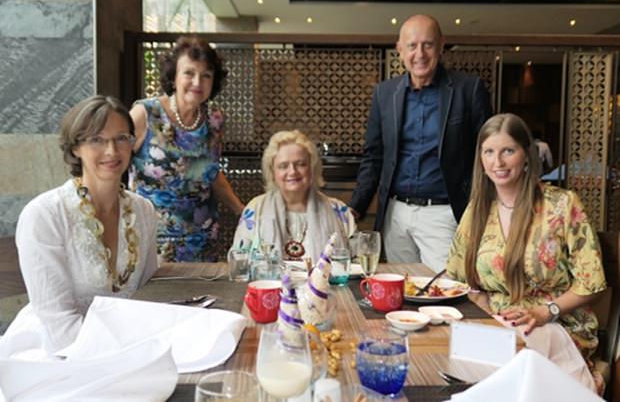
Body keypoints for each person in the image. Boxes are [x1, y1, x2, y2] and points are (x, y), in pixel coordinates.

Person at [446, 113, 606, 393]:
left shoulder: (562, 205)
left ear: (526, 156)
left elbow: (591, 283)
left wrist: (546, 312)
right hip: (497, 326)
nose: (498, 163)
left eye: (508, 151)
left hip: (557, 324)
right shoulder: (477, 210)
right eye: (489, 153)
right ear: (481, 161)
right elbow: (460, 281)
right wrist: (488, 316)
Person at [0, 96, 158, 358]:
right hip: (54, 353)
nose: (112, 151)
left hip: (130, 348)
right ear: (75, 148)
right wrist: (124, 357)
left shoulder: (143, 211)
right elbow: (58, 324)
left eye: (121, 138)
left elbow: (147, 297)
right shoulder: (45, 215)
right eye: (97, 139)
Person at [349, 14, 493, 272]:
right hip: (395, 213)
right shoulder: (384, 93)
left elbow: (486, 152)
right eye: (412, 45)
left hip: (443, 212)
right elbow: (374, 156)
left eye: (428, 44)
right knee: (401, 289)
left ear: (441, 46)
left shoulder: (468, 89)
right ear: (400, 49)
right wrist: (356, 207)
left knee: (444, 289)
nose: (420, 53)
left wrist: (480, 206)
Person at [129, 35, 244, 262]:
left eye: (206, 75)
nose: (197, 82)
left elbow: (210, 172)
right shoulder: (145, 114)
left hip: (202, 237)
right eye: (189, 73)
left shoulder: (214, 121)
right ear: (174, 77)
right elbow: (113, 163)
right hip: (152, 239)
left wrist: (241, 209)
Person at [232, 130, 356, 263]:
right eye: (283, 166)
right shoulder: (256, 209)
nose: (292, 172)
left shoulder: (339, 211)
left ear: (312, 168)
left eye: (301, 164)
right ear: (272, 172)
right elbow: (239, 262)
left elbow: (356, 263)